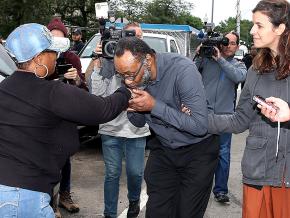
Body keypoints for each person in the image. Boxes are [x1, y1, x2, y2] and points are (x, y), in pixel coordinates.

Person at [0, 23, 131, 218]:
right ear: (39, 58)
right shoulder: (52, 92)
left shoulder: (4, 87)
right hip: (24, 197)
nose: (56, 56)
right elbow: (104, 109)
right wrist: (126, 90)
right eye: (52, 51)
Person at [114, 36, 219, 218]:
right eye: (121, 76)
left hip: (198, 151)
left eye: (130, 74)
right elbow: (139, 123)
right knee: (156, 211)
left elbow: (199, 126)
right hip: (164, 149)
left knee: (186, 213)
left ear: (147, 60)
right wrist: (134, 109)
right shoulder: (136, 80)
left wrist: (154, 106)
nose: (128, 82)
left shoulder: (182, 69)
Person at [207, 0, 290, 217]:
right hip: (257, 172)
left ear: (280, 28)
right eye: (253, 24)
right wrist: (200, 118)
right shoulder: (255, 69)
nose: (252, 31)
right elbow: (239, 120)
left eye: (259, 25)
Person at [89, 22, 150, 218]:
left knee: (134, 173)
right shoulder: (110, 59)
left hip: (136, 129)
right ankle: (109, 214)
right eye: (131, 36)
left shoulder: (147, 63)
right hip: (110, 129)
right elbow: (97, 96)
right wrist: (99, 61)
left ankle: (134, 202)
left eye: (138, 36)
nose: (135, 40)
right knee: (112, 174)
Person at [195, 31, 247, 203]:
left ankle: (221, 191)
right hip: (204, 114)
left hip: (225, 117)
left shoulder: (239, 65)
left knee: (223, 154)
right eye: (226, 42)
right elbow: (188, 70)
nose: (228, 46)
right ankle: (199, 187)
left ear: (237, 46)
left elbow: (238, 77)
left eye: (232, 43)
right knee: (200, 153)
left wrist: (220, 59)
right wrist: (197, 54)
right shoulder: (207, 61)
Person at [47, 17, 87, 217]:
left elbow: (83, 90)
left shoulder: (72, 58)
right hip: (45, 117)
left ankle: (64, 195)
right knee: (45, 159)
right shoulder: (40, 57)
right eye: (52, 37)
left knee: (66, 159)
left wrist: (75, 79)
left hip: (66, 117)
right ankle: (48, 203)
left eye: (60, 37)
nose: (56, 41)